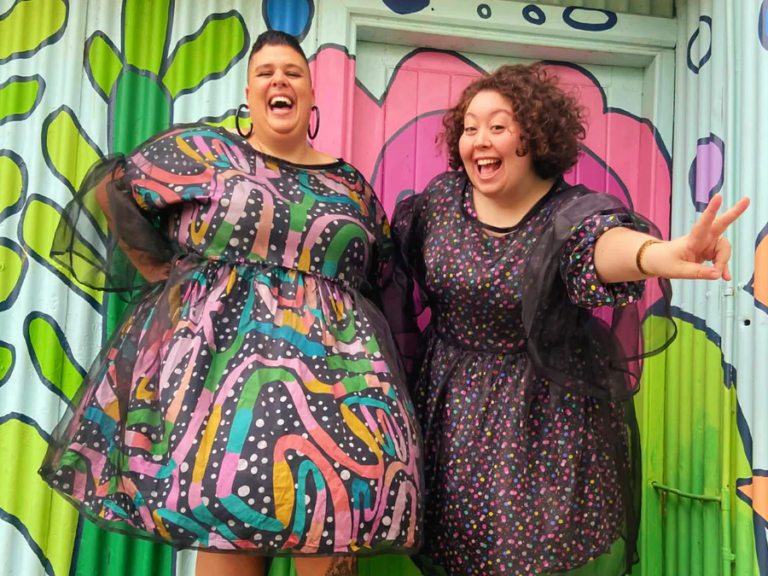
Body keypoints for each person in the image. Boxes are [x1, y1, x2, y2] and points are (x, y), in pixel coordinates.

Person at [39, 30, 423, 576]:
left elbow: (381, 278)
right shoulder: (208, 154)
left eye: (292, 72)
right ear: (248, 93)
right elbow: (115, 189)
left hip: (338, 413)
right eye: (266, 72)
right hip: (224, 409)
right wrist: (163, 275)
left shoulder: (350, 186)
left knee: (334, 543)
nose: (279, 80)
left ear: (312, 93)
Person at [391, 64, 749, 576]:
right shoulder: (441, 202)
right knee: (454, 550)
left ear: (534, 137)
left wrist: (660, 254)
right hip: (448, 408)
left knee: (523, 555)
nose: (479, 140)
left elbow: (601, 247)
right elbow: (392, 269)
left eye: (498, 126)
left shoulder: (572, 214)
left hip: (538, 416)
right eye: (470, 128)